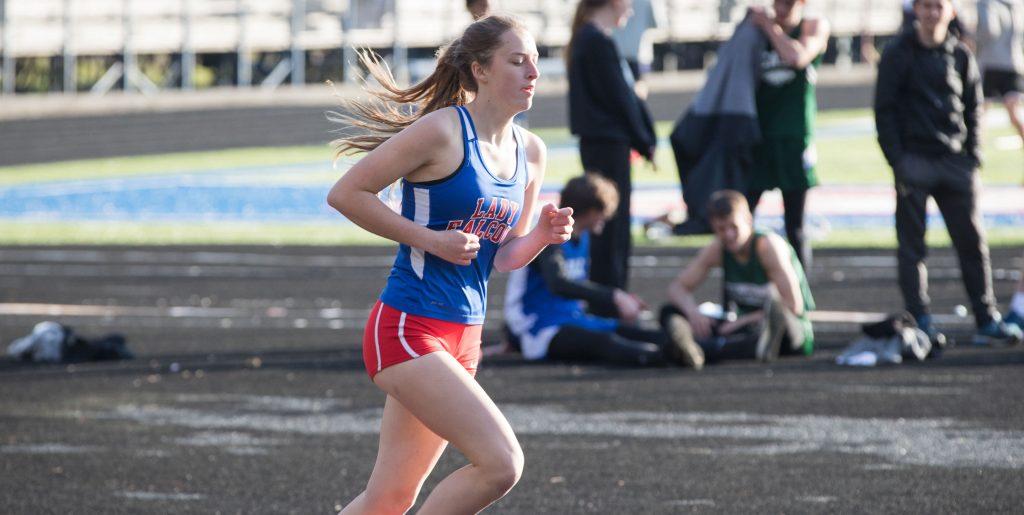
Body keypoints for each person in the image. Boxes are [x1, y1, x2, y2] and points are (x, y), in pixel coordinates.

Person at [326, 15, 574, 514]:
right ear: (481, 70)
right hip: (407, 326)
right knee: (502, 463)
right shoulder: (441, 130)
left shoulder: (531, 151)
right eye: (517, 60)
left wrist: (542, 237)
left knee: (390, 497)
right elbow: (347, 193)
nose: (533, 73)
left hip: (465, 336)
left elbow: (502, 256)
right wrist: (430, 240)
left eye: (536, 62)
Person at [875, 0, 1023, 347]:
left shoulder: (961, 54)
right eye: (925, 6)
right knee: (913, 247)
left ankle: (986, 318)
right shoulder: (897, 53)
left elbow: (974, 107)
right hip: (915, 162)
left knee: (972, 244)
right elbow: (884, 109)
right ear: (916, 11)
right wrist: (899, 160)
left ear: (951, 11)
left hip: (955, 162)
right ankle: (919, 317)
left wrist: (973, 157)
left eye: (938, 6)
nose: (931, 13)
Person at [504, 173, 705, 369]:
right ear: (591, 211)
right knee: (605, 342)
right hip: (538, 328)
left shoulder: (583, 236)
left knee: (635, 332)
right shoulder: (549, 235)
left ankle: (707, 346)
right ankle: (667, 356)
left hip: (573, 318)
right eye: (604, 211)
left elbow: (578, 286)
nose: (607, 217)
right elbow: (558, 283)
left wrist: (621, 299)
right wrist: (614, 296)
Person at [567, 0, 657, 306]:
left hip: (601, 142)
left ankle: (608, 296)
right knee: (610, 226)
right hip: (607, 144)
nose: (630, 8)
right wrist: (645, 140)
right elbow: (621, 99)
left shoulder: (590, 37)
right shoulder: (596, 40)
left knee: (605, 225)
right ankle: (611, 299)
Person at [659, 190, 815, 364]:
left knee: (777, 327)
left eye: (734, 227)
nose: (728, 235)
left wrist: (740, 322)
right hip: (742, 327)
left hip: (783, 330)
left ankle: (696, 348)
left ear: (748, 220)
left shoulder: (767, 247)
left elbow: (794, 306)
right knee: (670, 312)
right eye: (721, 229)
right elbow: (677, 288)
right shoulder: (718, 248)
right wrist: (694, 314)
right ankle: (697, 347)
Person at [744, 0, 830, 270]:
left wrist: (769, 26)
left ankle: (799, 298)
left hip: (794, 137)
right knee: (741, 221)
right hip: (758, 137)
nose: (782, 7)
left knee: (796, 226)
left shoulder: (813, 26)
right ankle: (737, 293)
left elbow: (796, 57)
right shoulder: (754, 30)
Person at [976, 0, 1024, 170]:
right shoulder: (1014, 5)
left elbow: (989, 30)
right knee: (1015, 115)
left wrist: (973, 39)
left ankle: (975, 162)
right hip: (1014, 62)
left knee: (981, 114)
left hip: (992, 63)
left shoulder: (986, 3)